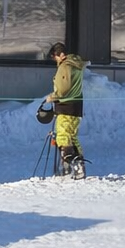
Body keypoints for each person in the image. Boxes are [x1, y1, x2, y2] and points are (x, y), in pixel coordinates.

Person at [44, 42, 88, 179]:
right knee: (71, 137)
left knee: (63, 137)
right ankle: (73, 166)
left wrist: (53, 97)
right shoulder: (75, 65)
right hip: (75, 107)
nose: (55, 60)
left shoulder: (65, 66)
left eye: (55, 57)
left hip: (66, 107)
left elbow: (64, 88)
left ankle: (72, 164)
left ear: (60, 55)